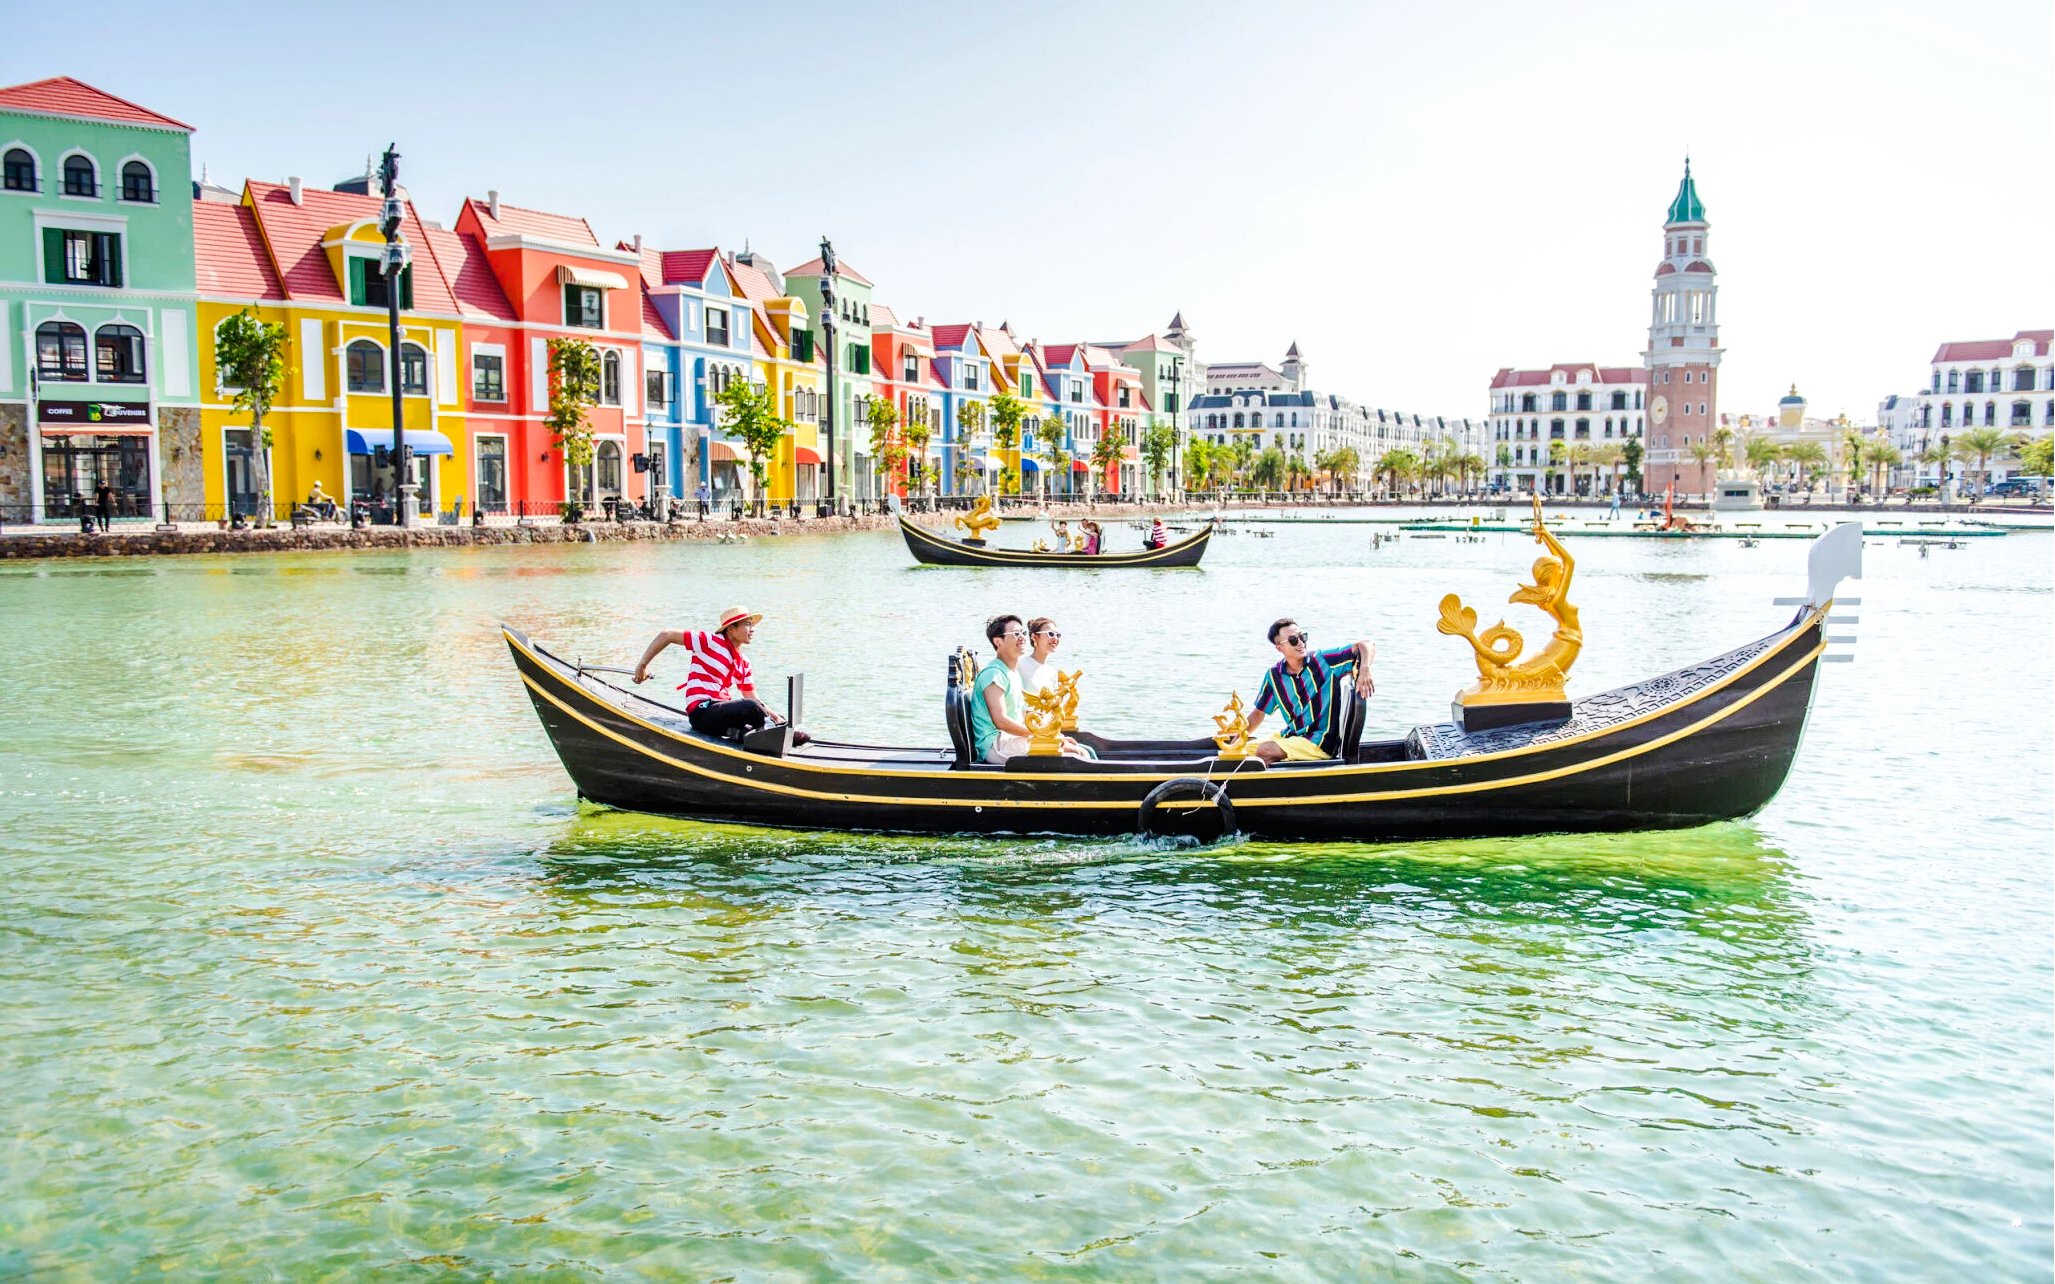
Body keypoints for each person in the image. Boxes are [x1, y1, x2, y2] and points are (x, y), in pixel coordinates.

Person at [632, 605, 809, 745]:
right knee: (751, 708)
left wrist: (778, 718)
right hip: (702, 712)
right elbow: (666, 635)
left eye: (752, 624)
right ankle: (776, 736)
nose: (752, 629)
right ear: (731, 628)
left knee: (758, 712)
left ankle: (757, 734)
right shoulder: (709, 641)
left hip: (721, 713)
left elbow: (752, 696)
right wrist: (642, 665)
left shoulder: (744, 661)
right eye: (747, 624)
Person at [1243, 618, 1376, 764]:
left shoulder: (1324, 661)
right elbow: (1258, 713)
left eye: (1302, 637)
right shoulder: (1274, 676)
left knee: (1265, 751)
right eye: (1293, 640)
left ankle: (1273, 785)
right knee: (1238, 751)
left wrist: (1365, 669)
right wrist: (1236, 741)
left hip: (1320, 743)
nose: (1300, 643)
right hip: (1292, 737)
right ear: (1280, 648)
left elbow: (1366, 645)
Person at [969, 614, 1087, 763]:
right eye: (1015, 634)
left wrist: (1053, 735)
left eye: (1023, 633)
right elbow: (1001, 721)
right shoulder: (994, 674)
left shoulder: (1012, 673)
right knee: (1075, 754)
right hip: (996, 745)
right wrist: (1041, 735)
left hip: (1011, 739)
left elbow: (1022, 715)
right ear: (998, 642)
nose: (1022, 638)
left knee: (1078, 750)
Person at [1017, 617, 1063, 693]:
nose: (1055, 638)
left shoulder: (1052, 672)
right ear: (1035, 637)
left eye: (1058, 635)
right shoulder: (1019, 665)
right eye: (1050, 634)